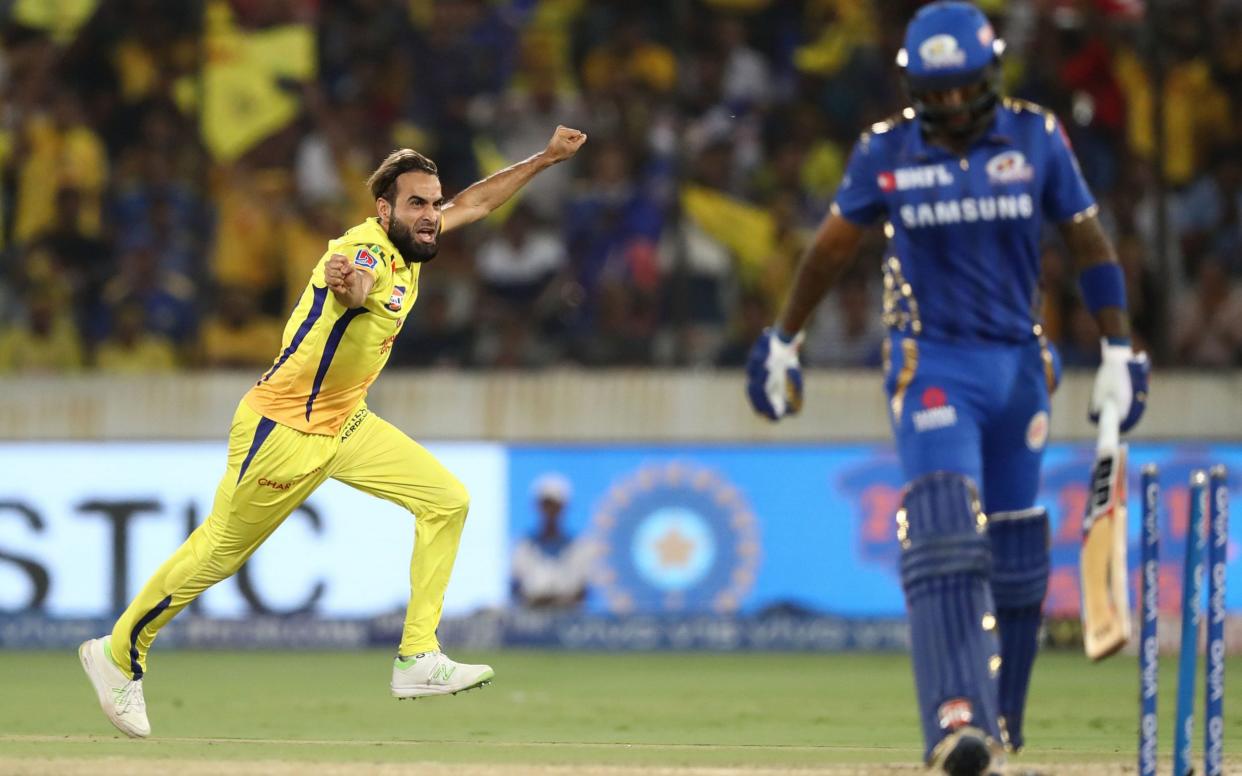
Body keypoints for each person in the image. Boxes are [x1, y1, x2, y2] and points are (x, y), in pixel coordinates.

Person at [78, 125, 587, 738]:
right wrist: (349, 287)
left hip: (345, 421)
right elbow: (354, 284)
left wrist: (549, 158)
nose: (431, 216)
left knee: (446, 500)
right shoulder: (365, 251)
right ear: (385, 210)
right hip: (285, 428)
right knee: (218, 552)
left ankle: (417, 658)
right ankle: (117, 653)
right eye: (416, 205)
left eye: (433, 202)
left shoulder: (412, 242)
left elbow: (477, 201)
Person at [745, 4, 1148, 775]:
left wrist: (1121, 348)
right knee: (944, 531)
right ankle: (955, 722)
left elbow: (1089, 241)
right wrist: (785, 337)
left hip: (1019, 367)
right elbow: (830, 251)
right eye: (940, 93)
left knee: (1019, 552)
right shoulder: (885, 150)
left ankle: (1002, 732)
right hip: (931, 365)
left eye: (967, 88)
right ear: (914, 87)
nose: (956, 106)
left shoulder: (1038, 137)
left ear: (990, 75)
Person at [510, 473, 594, 609]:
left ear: (563, 507)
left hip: (567, 620)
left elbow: (582, 591)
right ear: (537, 507)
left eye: (554, 505)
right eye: (546, 505)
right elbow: (516, 587)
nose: (549, 511)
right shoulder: (523, 546)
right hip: (531, 619)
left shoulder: (579, 547)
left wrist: (557, 600)